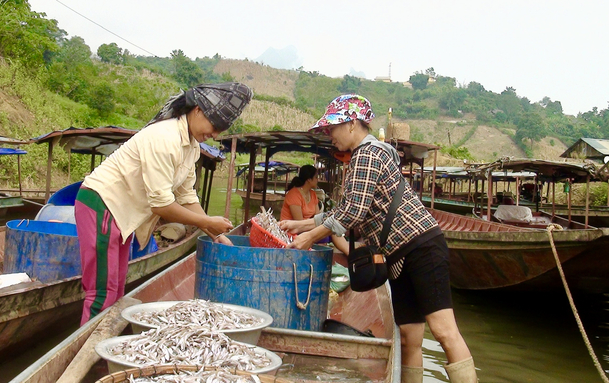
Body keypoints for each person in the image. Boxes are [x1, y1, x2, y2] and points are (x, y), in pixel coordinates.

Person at [279, 94, 477, 383]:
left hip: (421, 247)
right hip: (398, 256)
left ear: (351, 125)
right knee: (409, 337)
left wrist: (309, 236)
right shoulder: (365, 155)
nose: (329, 135)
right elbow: (345, 210)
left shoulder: (367, 154)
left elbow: (350, 215)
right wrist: (301, 223)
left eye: (332, 128)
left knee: (444, 331)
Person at [74, 82, 253, 324]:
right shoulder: (164, 137)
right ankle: (90, 355)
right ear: (198, 110)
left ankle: (101, 347)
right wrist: (207, 221)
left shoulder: (191, 148)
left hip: (124, 215)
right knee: (101, 293)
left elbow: (187, 196)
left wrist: (214, 234)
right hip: (102, 204)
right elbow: (161, 205)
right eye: (215, 126)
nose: (215, 135)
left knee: (116, 290)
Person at [280, 164, 349, 255]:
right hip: (293, 230)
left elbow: (318, 217)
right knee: (331, 229)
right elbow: (299, 223)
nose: (318, 180)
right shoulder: (294, 195)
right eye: (316, 177)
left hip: (306, 227)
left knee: (332, 228)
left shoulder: (312, 194)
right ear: (309, 179)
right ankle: (350, 253)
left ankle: (349, 252)